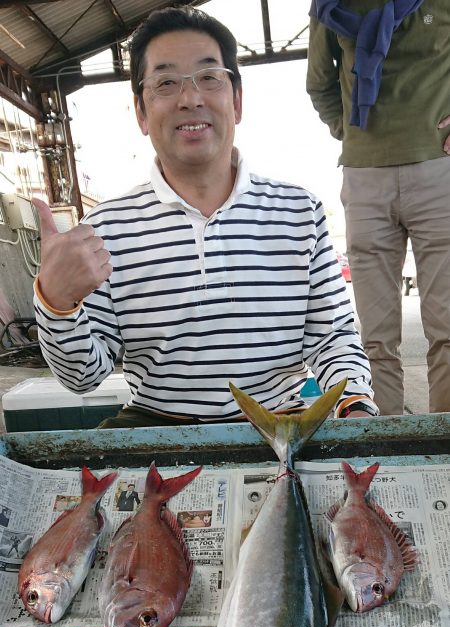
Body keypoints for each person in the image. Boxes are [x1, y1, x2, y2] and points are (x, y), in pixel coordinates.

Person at [33, 5, 379, 427]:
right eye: (165, 83)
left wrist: (354, 401)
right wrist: (56, 302)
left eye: (208, 78)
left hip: (280, 427)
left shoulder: (299, 211)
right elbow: (82, 378)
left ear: (236, 101)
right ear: (141, 112)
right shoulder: (106, 229)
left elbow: (332, 338)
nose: (190, 98)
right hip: (155, 425)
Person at [306, 1, 450, 416]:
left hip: (435, 169)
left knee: (425, 333)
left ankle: (434, 456)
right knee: (381, 339)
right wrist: (351, 132)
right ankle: (389, 454)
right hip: (369, 175)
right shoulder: (328, 5)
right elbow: (319, 85)